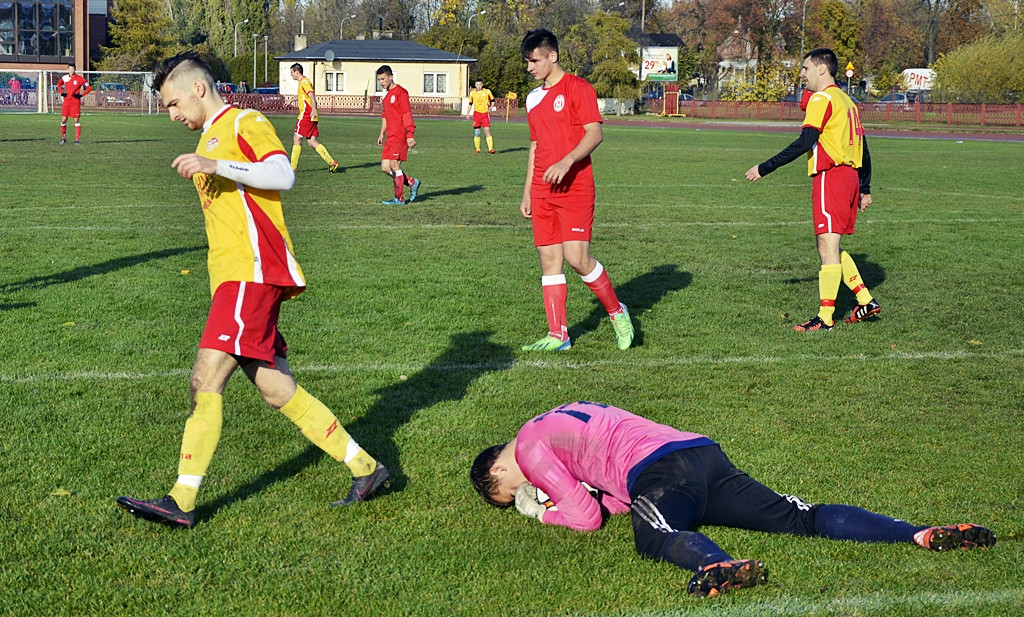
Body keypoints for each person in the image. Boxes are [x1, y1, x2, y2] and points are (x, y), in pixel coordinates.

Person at [116, 52, 389, 529]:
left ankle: (182, 499)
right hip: (234, 277)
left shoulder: (245, 120)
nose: (172, 113)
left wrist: (217, 164)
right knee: (275, 388)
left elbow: (283, 174)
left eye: (174, 102)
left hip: (252, 271)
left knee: (205, 379)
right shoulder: (209, 137)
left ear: (199, 89)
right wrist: (212, 159)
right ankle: (366, 468)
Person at [470, 401, 996, 598]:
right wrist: (594, 499)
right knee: (801, 518)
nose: (525, 490)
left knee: (657, 536)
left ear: (499, 468)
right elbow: (611, 495)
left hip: (660, 472)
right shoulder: (552, 421)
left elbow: (585, 518)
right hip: (702, 456)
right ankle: (918, 533)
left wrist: (545, 514)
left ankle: (718, 563)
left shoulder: (532, 449)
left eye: (510, 491)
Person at [745, 48, 881, 332]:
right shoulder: (848, 101)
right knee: (831, 246)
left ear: (822, 69)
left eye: (806, 68)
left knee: (825, 246)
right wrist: (865, 187)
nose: (802, 74)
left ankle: (826, 317)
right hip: (850, 178)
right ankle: (864, 299)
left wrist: (764, 167)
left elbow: (805, 141)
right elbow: (864, 149)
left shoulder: (822, 98)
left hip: (831, 177)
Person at [518, 28, 633, 352]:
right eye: (528, 61)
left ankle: (617, 312)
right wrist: (527, 190)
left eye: (535, 60)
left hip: (575, 187)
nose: (530, 67)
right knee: (549, 259)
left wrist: (567, 162)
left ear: (553, 56)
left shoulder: (578, 88)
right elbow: (535, 145)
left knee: (576, 257)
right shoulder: (533, 98)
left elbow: (594, 134)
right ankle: (559, 335)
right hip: (542, 189)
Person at [376, 65, 420, 205]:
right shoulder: (386, 95)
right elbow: (385, 116)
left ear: (390, 77)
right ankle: (412, 182)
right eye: (379, 80)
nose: (381, 82)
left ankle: (399, 199)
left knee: (394, 166)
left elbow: (406, 113)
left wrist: (409, 134)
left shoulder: (401, 92)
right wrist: (381, 133)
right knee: (385, 168)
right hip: (390, 136)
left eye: (383, 79)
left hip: (400, 135)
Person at [288, 64, 340, 173]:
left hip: (307, 114)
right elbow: (303, 95)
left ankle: (292, 168)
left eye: (291, 72)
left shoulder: (305, 82)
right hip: (311, 115)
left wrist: (313, 109)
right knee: (312, 141)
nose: (291, 74)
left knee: (297, 138)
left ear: (297, 72)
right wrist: (291, 100)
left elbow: (311, 95)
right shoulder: (302, 83)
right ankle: (332, 163)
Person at [58, 63, 91, 145]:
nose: (71, 70)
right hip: (66, 102)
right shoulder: (65, 78)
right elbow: (58, 85)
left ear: (75, 69)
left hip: (75, 103)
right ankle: (63, 137)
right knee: (63, 120)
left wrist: (80, 95)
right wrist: (62, 93)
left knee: (76, 120)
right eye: (70, 69)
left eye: (73, 69)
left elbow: (89, 88)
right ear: (68, 69)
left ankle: (77, 140)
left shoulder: (80, 79)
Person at [467, 79, 496, 154]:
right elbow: (470, 103)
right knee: (477, 132)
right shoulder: (472, 93)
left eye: (480, 84)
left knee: (487, 130)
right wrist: (468, 113)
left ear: (482, 84)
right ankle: (477, 149)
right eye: (477, 84)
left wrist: (490, 107)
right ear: (475, 85)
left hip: (485, 114)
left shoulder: (487, 92)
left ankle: (491, 149)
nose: (478, 86)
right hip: (476, 114)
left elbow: (493, 101)